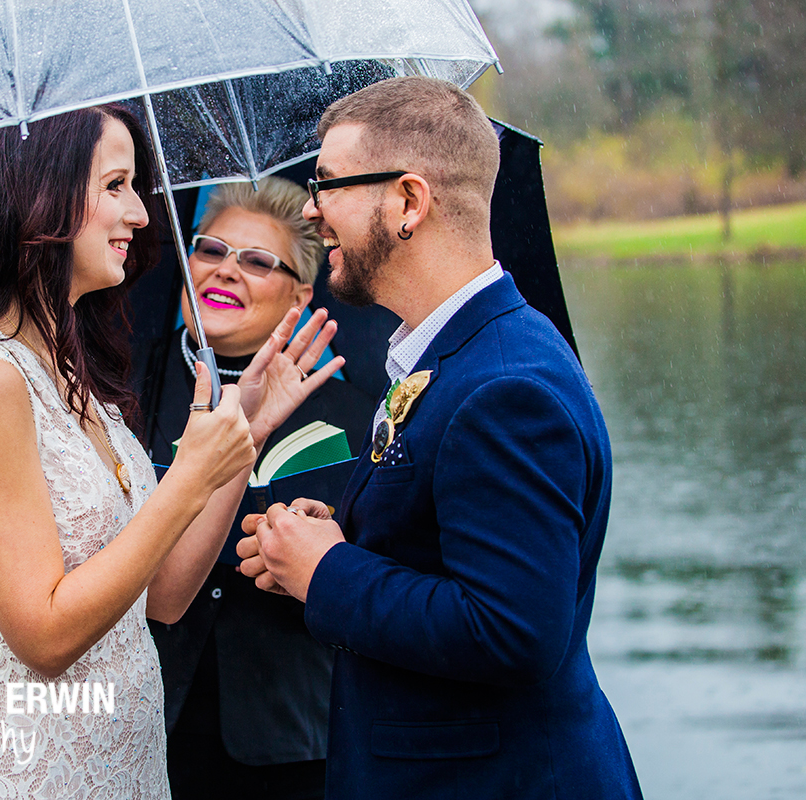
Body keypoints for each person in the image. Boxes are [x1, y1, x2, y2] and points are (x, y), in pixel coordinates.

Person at [0, 105, 344, 799]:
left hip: (124, 770)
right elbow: (41, 635)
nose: (140, 213)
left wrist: (241, 433)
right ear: (39, 193)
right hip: (34, 772)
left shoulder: (73, 379)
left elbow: (162, 597)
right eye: (116, 185)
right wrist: (187, 478)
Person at [238, 77, 644, 799]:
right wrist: (331, 541)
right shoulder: (457, 350)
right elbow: (452, 544)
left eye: (327, 184)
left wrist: (328, 573)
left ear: (408, 202)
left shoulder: (506, 389)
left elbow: (512, 631)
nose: (310, 209)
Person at [146, 177, 375, 800]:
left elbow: (382, 555)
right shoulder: (125, 393)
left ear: (299, 295)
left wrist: (319, 548)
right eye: (211, 251)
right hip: (145, 728)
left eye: (255, 261)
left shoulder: (359, 414)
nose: (226, 271)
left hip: (296, 739)